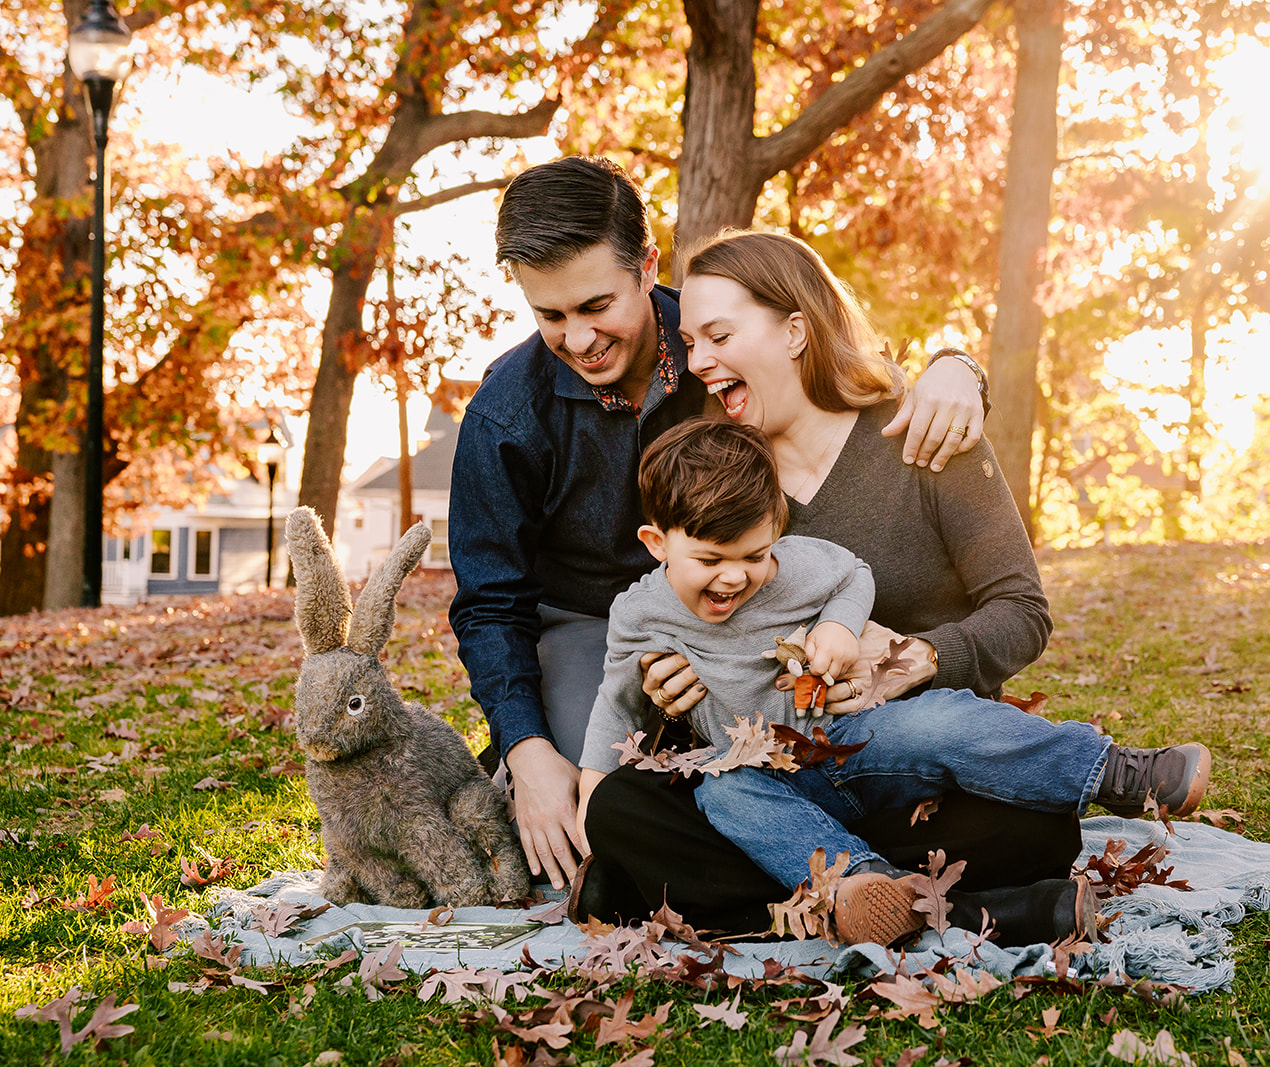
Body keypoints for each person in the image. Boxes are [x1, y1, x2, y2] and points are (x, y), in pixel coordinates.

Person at [580, 230, 1212, 936]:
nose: (700, 363)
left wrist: (913, 661)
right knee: (631, 807)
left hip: (925, 768)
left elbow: (1024, 611)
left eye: (719, 335)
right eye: (691, 343)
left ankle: (782, 900)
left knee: (1034, 831)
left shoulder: (926, 429)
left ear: (794, 329)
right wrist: (666, 695)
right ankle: (939, 909)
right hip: (779, 779)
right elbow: (678, 626)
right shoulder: (720, 468)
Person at [448, 157, 992, 891]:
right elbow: (489, 604)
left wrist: (958, 365)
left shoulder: (721, 337)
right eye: (551, 316)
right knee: (587, 794)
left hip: (749, 604)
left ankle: (796, 860)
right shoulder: (505, 417)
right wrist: (526, 747)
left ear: (646, 267)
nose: (579, 340)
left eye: (596, 305)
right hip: (593, 623)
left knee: (804, 752)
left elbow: (839, 358)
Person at [578, 417, 1120, 946]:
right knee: (648, 804)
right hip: (762, 790)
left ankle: (844, 897)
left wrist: (880, 642)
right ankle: (926, 903)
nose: (735, 575)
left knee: (1041, 825)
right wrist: (603, 773)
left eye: (753, 556)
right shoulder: (646, 606)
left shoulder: (903, 448)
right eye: (711, 559)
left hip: (869, 757)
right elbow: (616, 703)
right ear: (656, 542)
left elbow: (1011, 610)